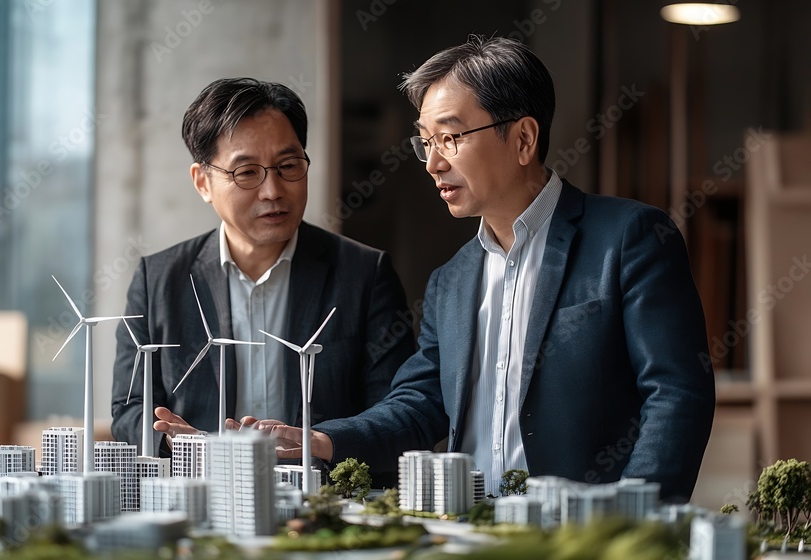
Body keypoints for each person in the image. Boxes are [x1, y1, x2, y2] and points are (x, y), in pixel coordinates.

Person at [246, 36, 715, 502]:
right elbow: (420, 403)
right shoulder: (450, 280)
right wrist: (324, 440)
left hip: (581, 537)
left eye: (450, 137)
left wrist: (634, 523)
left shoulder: (629, 238)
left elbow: (675, 393)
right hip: (469, 531)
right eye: (426, 141)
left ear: (524, 139)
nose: (432, 163)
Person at [110, 77, 415, 460]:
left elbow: (401, 411)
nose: (273, 191)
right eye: (247, 172)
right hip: (203, 495)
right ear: (203, 182)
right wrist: (176, 440)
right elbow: (128, 406)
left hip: (323, 502)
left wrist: (318, 443)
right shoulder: (158, 280)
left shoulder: (365, 274)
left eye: (288, 165)